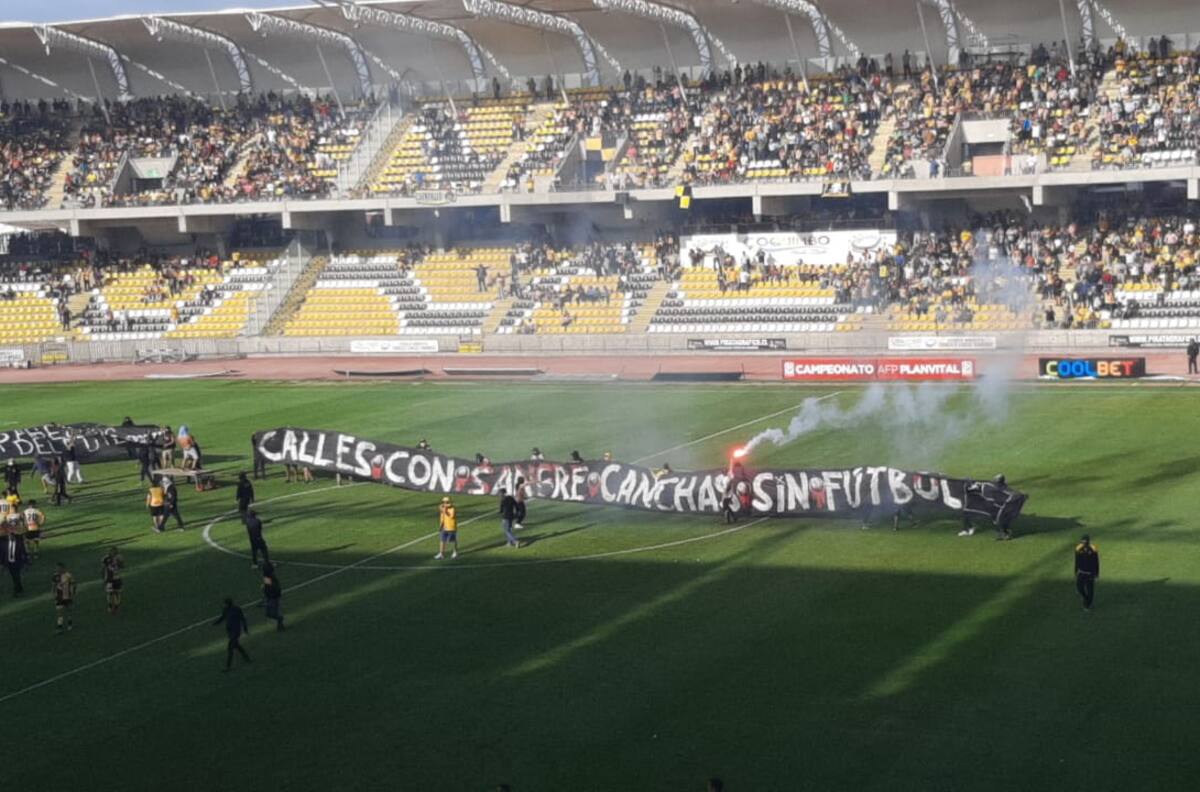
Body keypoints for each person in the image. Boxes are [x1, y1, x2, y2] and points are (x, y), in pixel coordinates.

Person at [213, 597, 251, 671]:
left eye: (225, 604)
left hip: (236, 631)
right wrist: (216, 623)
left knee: (230, 647)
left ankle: (228, 667)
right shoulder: (226, 609)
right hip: (230, 631)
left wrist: (245, 629)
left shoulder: (237, 609)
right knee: (237, 646)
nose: (224, 605)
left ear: (228, 604)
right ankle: (247, 658)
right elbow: (223, 617)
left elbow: (243, 619)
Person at [1075, 534, 1100, 611]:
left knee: (1090, 591)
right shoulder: (1078, 548)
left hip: (1090, 573)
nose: (1084, 544)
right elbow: (1076, 561)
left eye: (1085, 542)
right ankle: (1085, 598)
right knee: (1079, 588)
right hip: (1081, 573)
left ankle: (1087, 605)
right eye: (1082, 542)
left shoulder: (1093, 549)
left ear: (1088, 542)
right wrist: (1075, 571)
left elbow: (1096, 562)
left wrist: (1096, 574)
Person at [2, 523, 27, 597]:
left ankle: (17, 591)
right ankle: (19, 589)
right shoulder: (4, 543)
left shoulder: (19, 542)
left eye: (12, 535)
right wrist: (2, 563)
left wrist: (25, 561)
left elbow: (23, 552)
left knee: (16, 576)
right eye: (9, 535)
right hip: (9, 563)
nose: (11, 536)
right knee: (14, 577)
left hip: (17, 562)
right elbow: (3, 553)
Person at [52, 561, 76, 633]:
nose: (57, 569)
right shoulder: (55, 576)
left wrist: (73, 593)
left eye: (59, 568)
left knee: (69, 610)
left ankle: (70, 624)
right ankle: (60, 627)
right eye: (56, 568)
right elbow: (53, 586)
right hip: (59, 597)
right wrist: (53, 594)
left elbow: (73, 584)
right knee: (59, 612)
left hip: (67, 596)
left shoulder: (68, 575)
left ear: (63, 568)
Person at [262, 562, 284, 631]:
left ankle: (280, 621)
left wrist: (267, 591)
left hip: (273, 597)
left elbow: (273, 587)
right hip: (270, 596)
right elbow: (269, 586)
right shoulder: (267, 577)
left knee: (272, 613)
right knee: (269, 613)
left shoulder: (269, 577)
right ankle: (279, 620)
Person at [101, 546, 124, 614]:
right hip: (113, 579)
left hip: (112, 579)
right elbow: (103, 568)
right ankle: (113, 606)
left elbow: (103, 568)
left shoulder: (117, 558)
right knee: (113, 593)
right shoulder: (107, 558)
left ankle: (113, 606)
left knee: (113, 593)